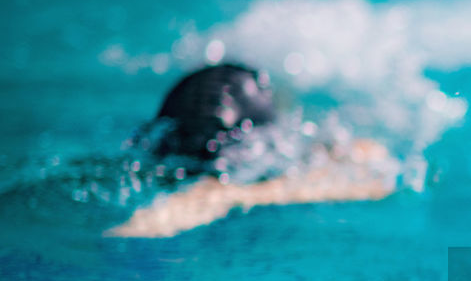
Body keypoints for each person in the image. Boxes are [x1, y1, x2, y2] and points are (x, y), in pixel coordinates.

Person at [106, 63, 395, 238]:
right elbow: (376, 174)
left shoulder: (134, 166)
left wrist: (234, 194)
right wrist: (240, 193)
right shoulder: (306, 149)